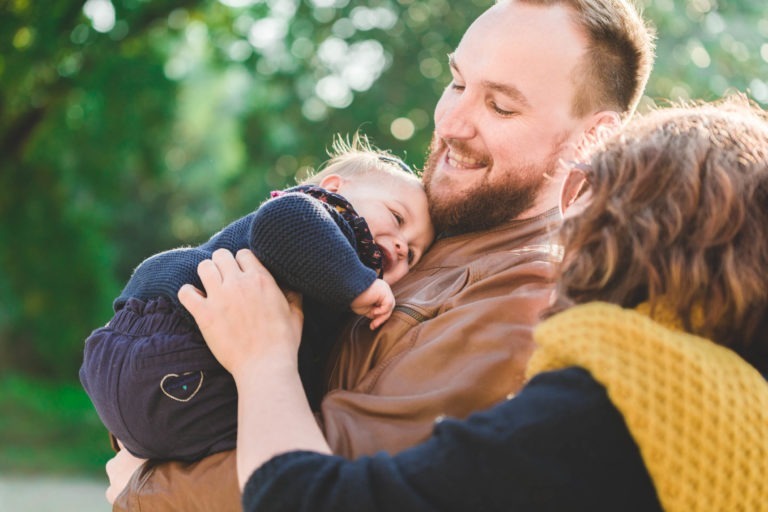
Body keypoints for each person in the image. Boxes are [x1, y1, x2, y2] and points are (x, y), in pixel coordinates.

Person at [107, 0, 655, 508]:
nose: (452, 123)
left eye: (500, 106)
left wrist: (144, 484)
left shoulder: (524, 296)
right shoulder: (417, 225)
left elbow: (334, 477)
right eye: (457, 82)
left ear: (594, 139)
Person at [188, 96, 768, 511]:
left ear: (618, 218)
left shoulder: (604, 406)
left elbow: (305, 501)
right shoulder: (746, 405)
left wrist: (262, 360)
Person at [80, 134, 434, 462]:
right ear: (332, 189)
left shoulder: (333, 285)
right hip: (177, 342)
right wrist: (360, 284)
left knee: (265, 438)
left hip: (129, 371)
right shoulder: (321, 214)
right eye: (397, 217)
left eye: (415, 255)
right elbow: (281, 223)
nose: (402, 246)